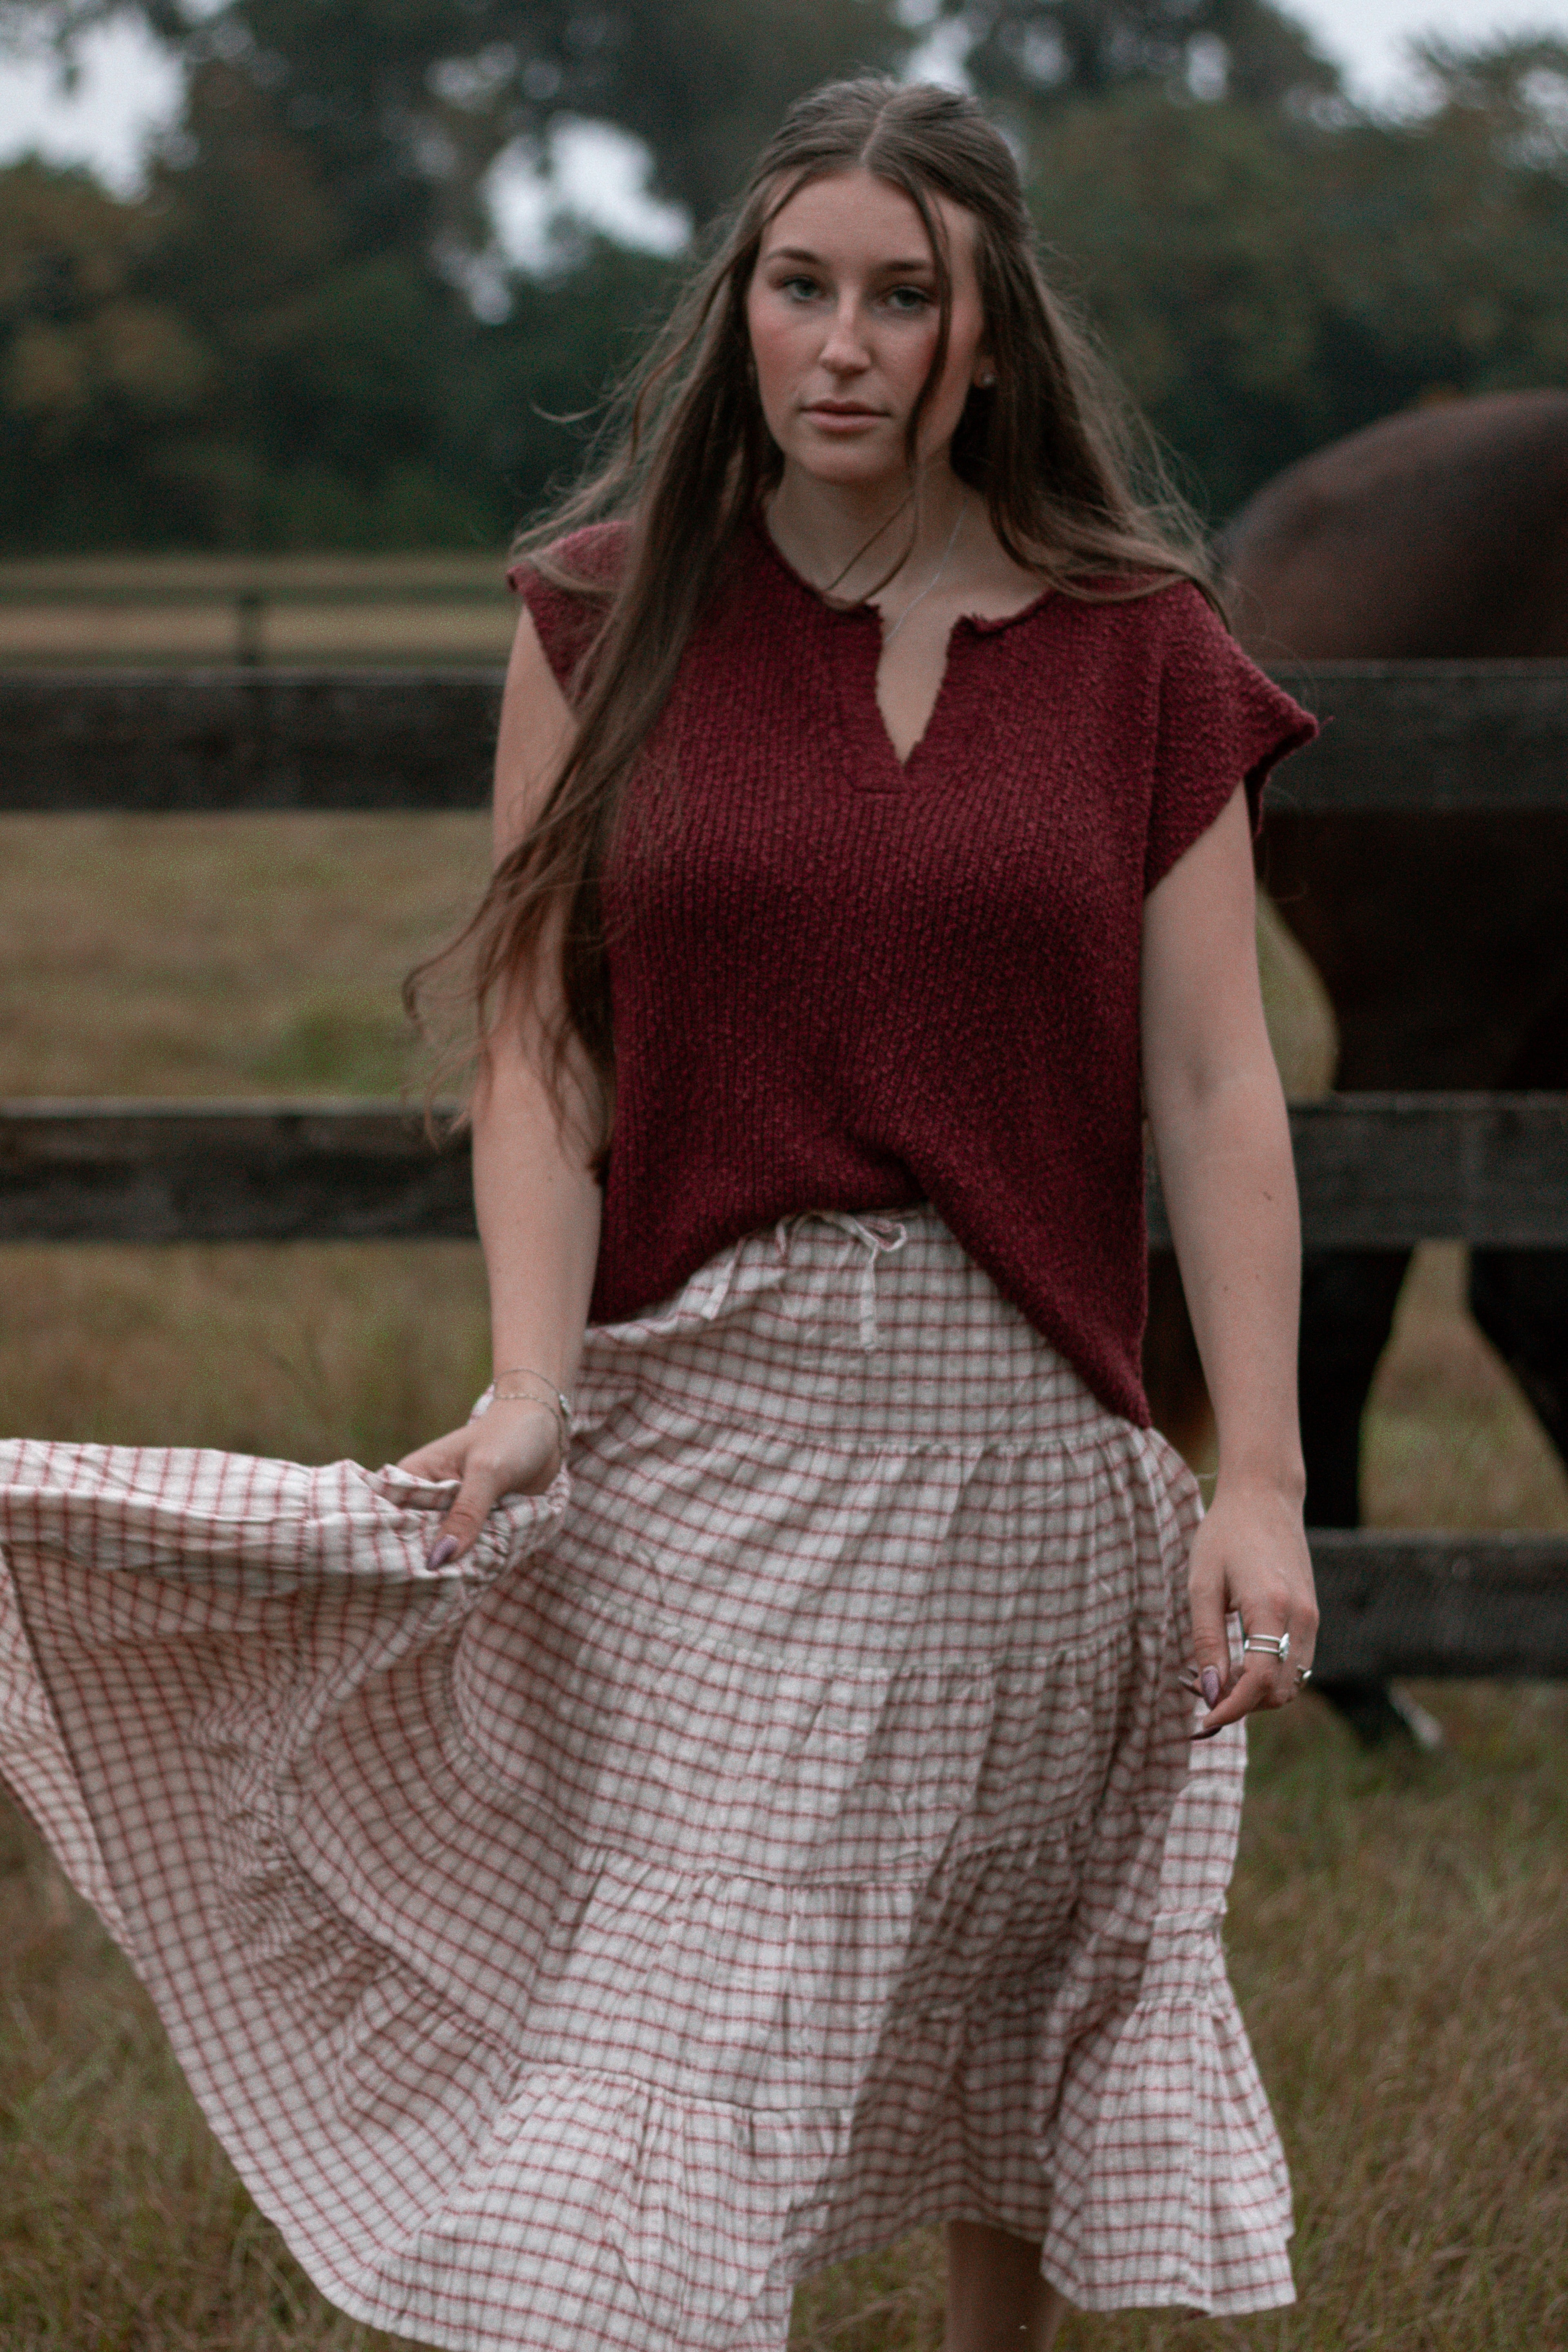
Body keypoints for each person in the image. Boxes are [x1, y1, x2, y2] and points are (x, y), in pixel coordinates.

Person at [0, 74, 1318, 2352]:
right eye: (800, 287)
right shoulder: (607, 614)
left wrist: (1268, 1477)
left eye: (904, 299)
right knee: (687, 2036)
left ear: (984, 342)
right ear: (738, 313)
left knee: (1011, 2013)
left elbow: (1214, 1082)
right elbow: (533, 1032)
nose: (843, 343)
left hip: (1036, 1456)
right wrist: (528, 1378)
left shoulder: (1139, 650)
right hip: (721, 1431)